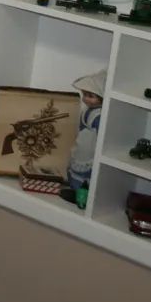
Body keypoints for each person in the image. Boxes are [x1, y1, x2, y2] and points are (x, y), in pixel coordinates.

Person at [61, 69, 106, 206]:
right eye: (84, 95)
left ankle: (82, 198)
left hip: (89, 148)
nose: (86, 99)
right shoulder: (88, 110)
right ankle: (76, 192)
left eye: (91, 96)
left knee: (85, 176)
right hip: (82, 144)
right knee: (76, 167)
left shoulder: (98, 115)